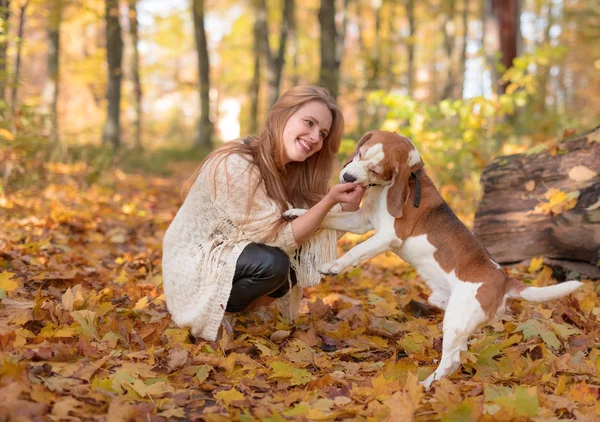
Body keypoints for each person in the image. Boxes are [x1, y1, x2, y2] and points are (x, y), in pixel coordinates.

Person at [162, 85, 365, 341]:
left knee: (297, 261)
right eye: (308, 122)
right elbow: (279, 239)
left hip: (240, 253)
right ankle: (216, 311)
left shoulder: (293, 173)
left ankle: (243, 313)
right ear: (282, 116)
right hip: (194, 267)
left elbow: (313, 239)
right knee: (274, 263)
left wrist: (348, 206)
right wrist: (327, 203)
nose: (315, 138)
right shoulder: (237, 163)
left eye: (323, 133)